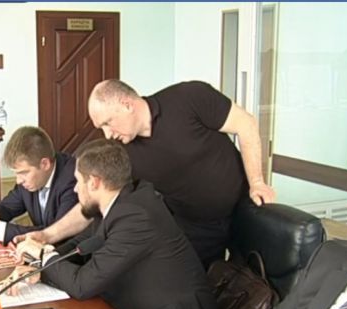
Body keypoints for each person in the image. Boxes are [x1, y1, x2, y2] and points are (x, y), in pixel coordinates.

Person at [13, 139, 224, 309]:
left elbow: (83, 284)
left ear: (94, 182)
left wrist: (44, 256)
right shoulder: (122, 201)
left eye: (78, 181)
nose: (75, 189)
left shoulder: (135, 216)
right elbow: (82, 245)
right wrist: (39, 267)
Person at [16, 79, 276, 268]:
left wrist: (257, 182)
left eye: (108, 122)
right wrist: (48, 235)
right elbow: (91, 203)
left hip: (243, 206)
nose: (107, 134)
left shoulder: (189, 97)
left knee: (258, 280)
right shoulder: (122, 153)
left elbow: (246, 124)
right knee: (212, 288)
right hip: (196, 226)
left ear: (127, 104)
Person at [0, 126, 78, 244]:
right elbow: (7, 208)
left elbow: (57, 233)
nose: (18, 181)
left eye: (23, 173)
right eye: (16, 173)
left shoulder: (72, 179)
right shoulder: (31, 180)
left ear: (45, 164)